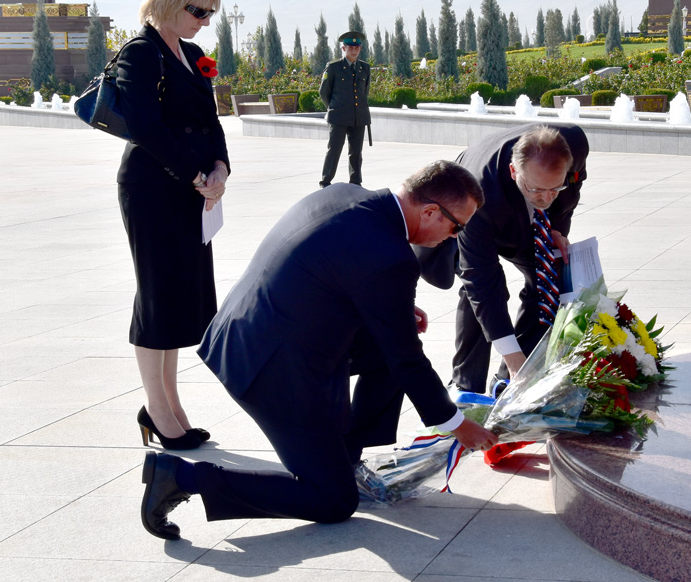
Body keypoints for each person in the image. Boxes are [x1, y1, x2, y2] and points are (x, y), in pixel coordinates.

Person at [139, 161, 499, 540]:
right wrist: (457, 425)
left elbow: (327, 266)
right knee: (332, 500)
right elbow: (407, 360)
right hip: (269, 367)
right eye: (456, 226)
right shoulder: (390, 257)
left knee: (390, 339)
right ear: (429, 211)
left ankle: (345, 455)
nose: (455, 237)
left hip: (250, 331)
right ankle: (180, 476)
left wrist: (388, 308)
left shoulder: (346, 194)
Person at [116, 0, 230, 450]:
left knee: (181, 297)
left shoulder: (194, 55)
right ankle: (158, 411)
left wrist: (221, 168)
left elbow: (212, 118)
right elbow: (144, 127)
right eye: (197, 10)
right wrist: (194, 174)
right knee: (158, 295)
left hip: (193, 189)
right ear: (170, 2)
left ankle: (170, 406)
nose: (204, 21)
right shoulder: (139, 53)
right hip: (152, 188)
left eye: (210, 13)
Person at [416, 124, 589, 396]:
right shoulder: (476, 196)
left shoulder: (574, 142)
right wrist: (511, 353)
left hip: (525, 216)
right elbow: (481, 280)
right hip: (485, 205)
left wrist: (555, 226)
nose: (545, 198)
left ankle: (508, 380)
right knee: (480, 292)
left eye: (554, 189)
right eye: (536, 190)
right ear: (513, 171)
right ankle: (465, 384)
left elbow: (574, 187)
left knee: (548, 279)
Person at [318, 31, 371, 188]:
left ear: (360, 49)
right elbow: (324, 92)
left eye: (357, 47)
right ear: (343, 48)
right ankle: (325, 182)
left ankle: (356, 182)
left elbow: (364, 92)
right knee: (334, 150)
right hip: (338, 117)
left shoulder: (364, 68)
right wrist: (333, 108)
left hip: (358, 117)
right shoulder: (333, 67)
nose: (353, 50)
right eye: (350, 47)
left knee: (356, 153)